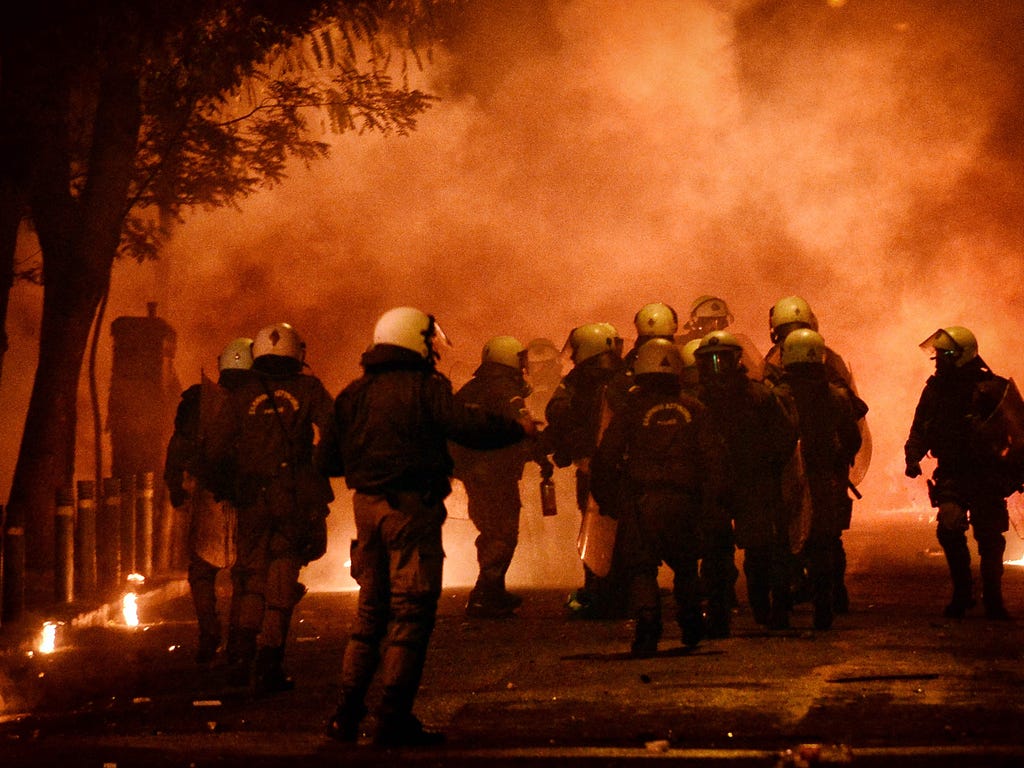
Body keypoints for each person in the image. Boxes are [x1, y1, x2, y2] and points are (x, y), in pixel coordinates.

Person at [322, 307, 535, 747]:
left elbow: (326, 460)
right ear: (415, 341)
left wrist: (369, 472)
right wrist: (515, 429)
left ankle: (345, 717)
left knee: (369, 614)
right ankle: (392, 719)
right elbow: (466, 427)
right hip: (411, 512)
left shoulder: (353, 394)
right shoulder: (427, 388)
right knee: (410, 613)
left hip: (367, 511)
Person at [207, 322, 335, 694]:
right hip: (292, 498)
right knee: (281, 577)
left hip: (251, 500)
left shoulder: (240, 393)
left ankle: (239, 655)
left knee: (251, 577)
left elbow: (214, 450)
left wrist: (231, 488)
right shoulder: (309, 389)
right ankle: (268, 662)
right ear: (297, 351)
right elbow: (334, 430)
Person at [591, 338, 712, 656]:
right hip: (684, 501)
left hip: (642, 502)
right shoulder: (695, 409)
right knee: (686, 564)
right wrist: (714, 500)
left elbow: (606, 457)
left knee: (642, 567)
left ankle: (647, 629)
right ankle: (691, 622)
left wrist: (608, 499)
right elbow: (714, 458)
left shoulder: (631, 411)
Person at [905, 326, 1021, 621]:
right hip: (953, 473)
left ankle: (993, 598)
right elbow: (921, 426)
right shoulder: (935, 389)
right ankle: (963, 593)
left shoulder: (992, 389)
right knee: (949, 528)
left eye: (944, 355)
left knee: (991, 537)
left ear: (961, 355)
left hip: (987, 476)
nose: (938, 360)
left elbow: (1016, 430)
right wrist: (913, 456)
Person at [762, 294, 866, 613]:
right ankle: (828, 590)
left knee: (802, 531)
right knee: (825, 533)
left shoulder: (782, 365)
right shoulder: (822, 361)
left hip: (802, 465)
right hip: (815, 465)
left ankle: (818, 588)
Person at [695, 330, 798, 634]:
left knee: (760, 551)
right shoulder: (699, 400)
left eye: (722, 359)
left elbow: (785, 438)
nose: (716, 366)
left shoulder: (759, 397)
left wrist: (766, 468)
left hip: (750, 483)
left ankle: (764, 608)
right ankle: (721, 616)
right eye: (710, 360)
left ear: (736, 360)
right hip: (724, 485)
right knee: (716, 554)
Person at [163, 337, 252, 664]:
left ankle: (209, 633)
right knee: (246, 573)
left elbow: (179, 447)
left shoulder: (201, 400)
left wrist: (175, 484)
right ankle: (239, 640)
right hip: (248, 497)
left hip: (209, 498)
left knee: (202, 570)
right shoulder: (259, 400)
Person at [450, 335, 552, 619]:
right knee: (503, 532)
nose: (523, 366)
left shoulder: (472, 389)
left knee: (491, 530)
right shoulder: (505, 389)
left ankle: (493, 590)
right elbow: (521, 427)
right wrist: (543, 448)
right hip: (495, 473)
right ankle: (485, 593)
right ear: (507, 358)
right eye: (519, 359)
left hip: (475, 473)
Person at [544, 322, 630, 619]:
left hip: (591, 468)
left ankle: (597, 591)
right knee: (622, 530)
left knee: (593, 530)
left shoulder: (578, 381)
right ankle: (625, 592)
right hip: (625, 467)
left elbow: (556, 412)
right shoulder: (627, 376)